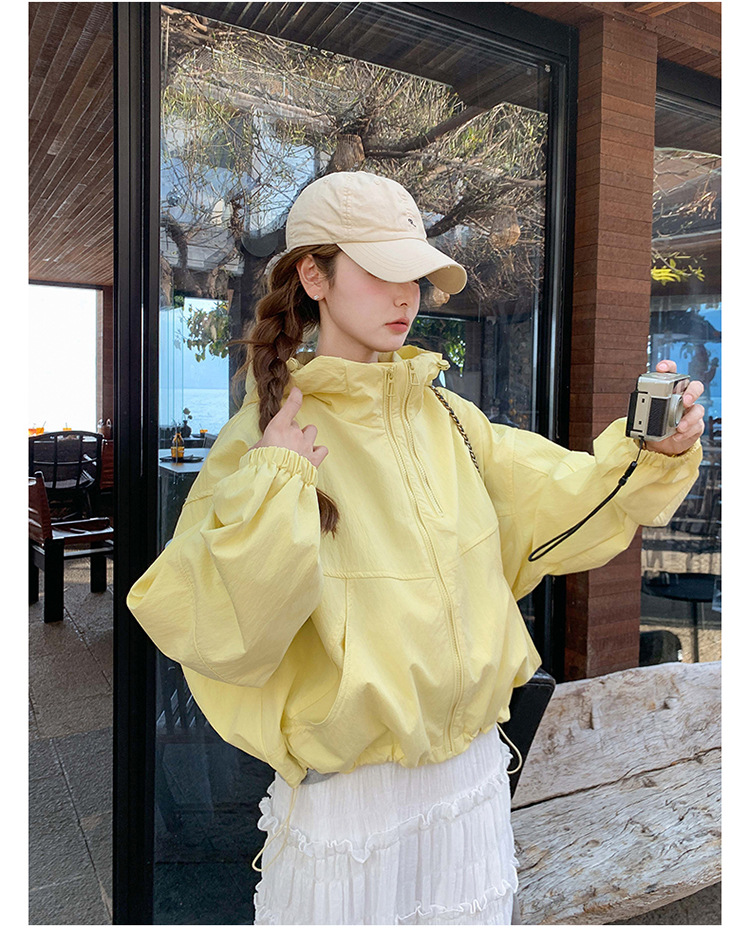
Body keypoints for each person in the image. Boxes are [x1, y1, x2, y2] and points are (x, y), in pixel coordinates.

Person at [127, 171, 705, 925]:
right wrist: (274, 482)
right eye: (382, 270)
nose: (407, 295)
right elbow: (217, 627)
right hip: (352, 808)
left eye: (416, 275)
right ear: (314, 277)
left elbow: (562, 495)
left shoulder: (450, 418)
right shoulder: (268, 437)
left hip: (471, 783)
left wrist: (649, 451)